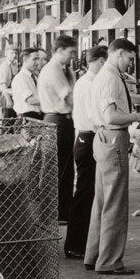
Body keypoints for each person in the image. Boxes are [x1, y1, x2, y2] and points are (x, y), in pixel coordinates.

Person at [84, 39, 140, 275]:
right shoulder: (110, 77)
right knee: (115, 203)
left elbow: (116, 103)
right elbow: (112, 116)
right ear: (119, 54)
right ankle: (110, 261)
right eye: (130, 59)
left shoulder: (107, 74)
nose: (131, 64)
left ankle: (93, 256)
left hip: (103, 140)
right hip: (113, 139)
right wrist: (138, 117)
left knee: (102, 201)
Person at [65, 45, 108, 260]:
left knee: (85, 192)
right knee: (84, 193)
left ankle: (79, 243)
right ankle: (75, 244)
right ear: (101, 62)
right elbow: (95, 116)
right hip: (88, 138)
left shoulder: (83, 80)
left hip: (82, 137)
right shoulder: (91, 84)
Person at [38, 36, 76, 225]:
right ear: (60, 50)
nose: (72, 56)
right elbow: (69, 98)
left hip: (55, 120)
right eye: (70, 52)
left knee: (62, 167)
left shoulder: (55, 69)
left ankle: (60, 211)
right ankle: (60, 213)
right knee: (62, 167)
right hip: (59, 121)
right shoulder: (53, 70)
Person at [12, 48, 47, 120]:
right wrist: (51, 99)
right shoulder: (21, 78)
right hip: (26, 118)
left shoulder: (33, 76)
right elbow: (31, 100)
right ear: (25, 60)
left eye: (38, 59)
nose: (37, 62)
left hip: (37, 116)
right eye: (34, 59)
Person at [0, 45, 20, 119]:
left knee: (14, 120)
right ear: (6, 53)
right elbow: (3, 86)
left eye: (16, 53)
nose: (14, 55)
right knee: (7, 121)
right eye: (12, 53)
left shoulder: (15, 65)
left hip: (14, 95)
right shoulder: (4, 67)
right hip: (7, 96)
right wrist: (9, 100)